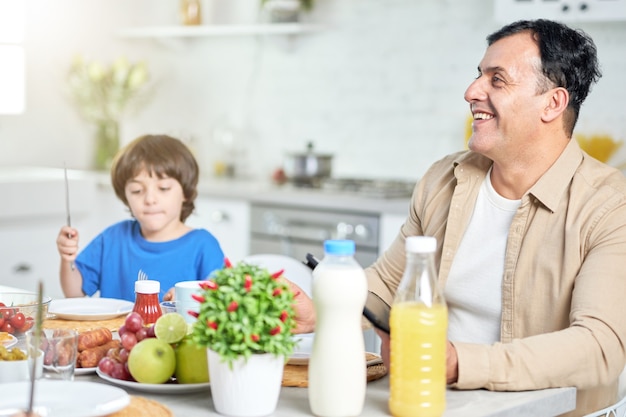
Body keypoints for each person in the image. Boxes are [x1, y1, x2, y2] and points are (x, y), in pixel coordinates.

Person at [290, 19, 626, 416]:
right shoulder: (444, 178)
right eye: (478, 75)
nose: (472, 92)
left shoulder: (609, 205)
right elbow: (385, 285)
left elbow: (600, 347)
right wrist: (321, 308)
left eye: (497, 80)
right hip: (429, 403)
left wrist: (453, 362)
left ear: (552, 103)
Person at [56, 134, 225, 302]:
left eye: (164, 188)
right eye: (137, 190)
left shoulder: (204, 246)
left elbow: (219, 304)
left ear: (186, 193)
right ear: (126, 197)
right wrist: (67, 258)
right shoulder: (112, 238)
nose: (150, 199)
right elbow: (74, 293)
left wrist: (187, 297)